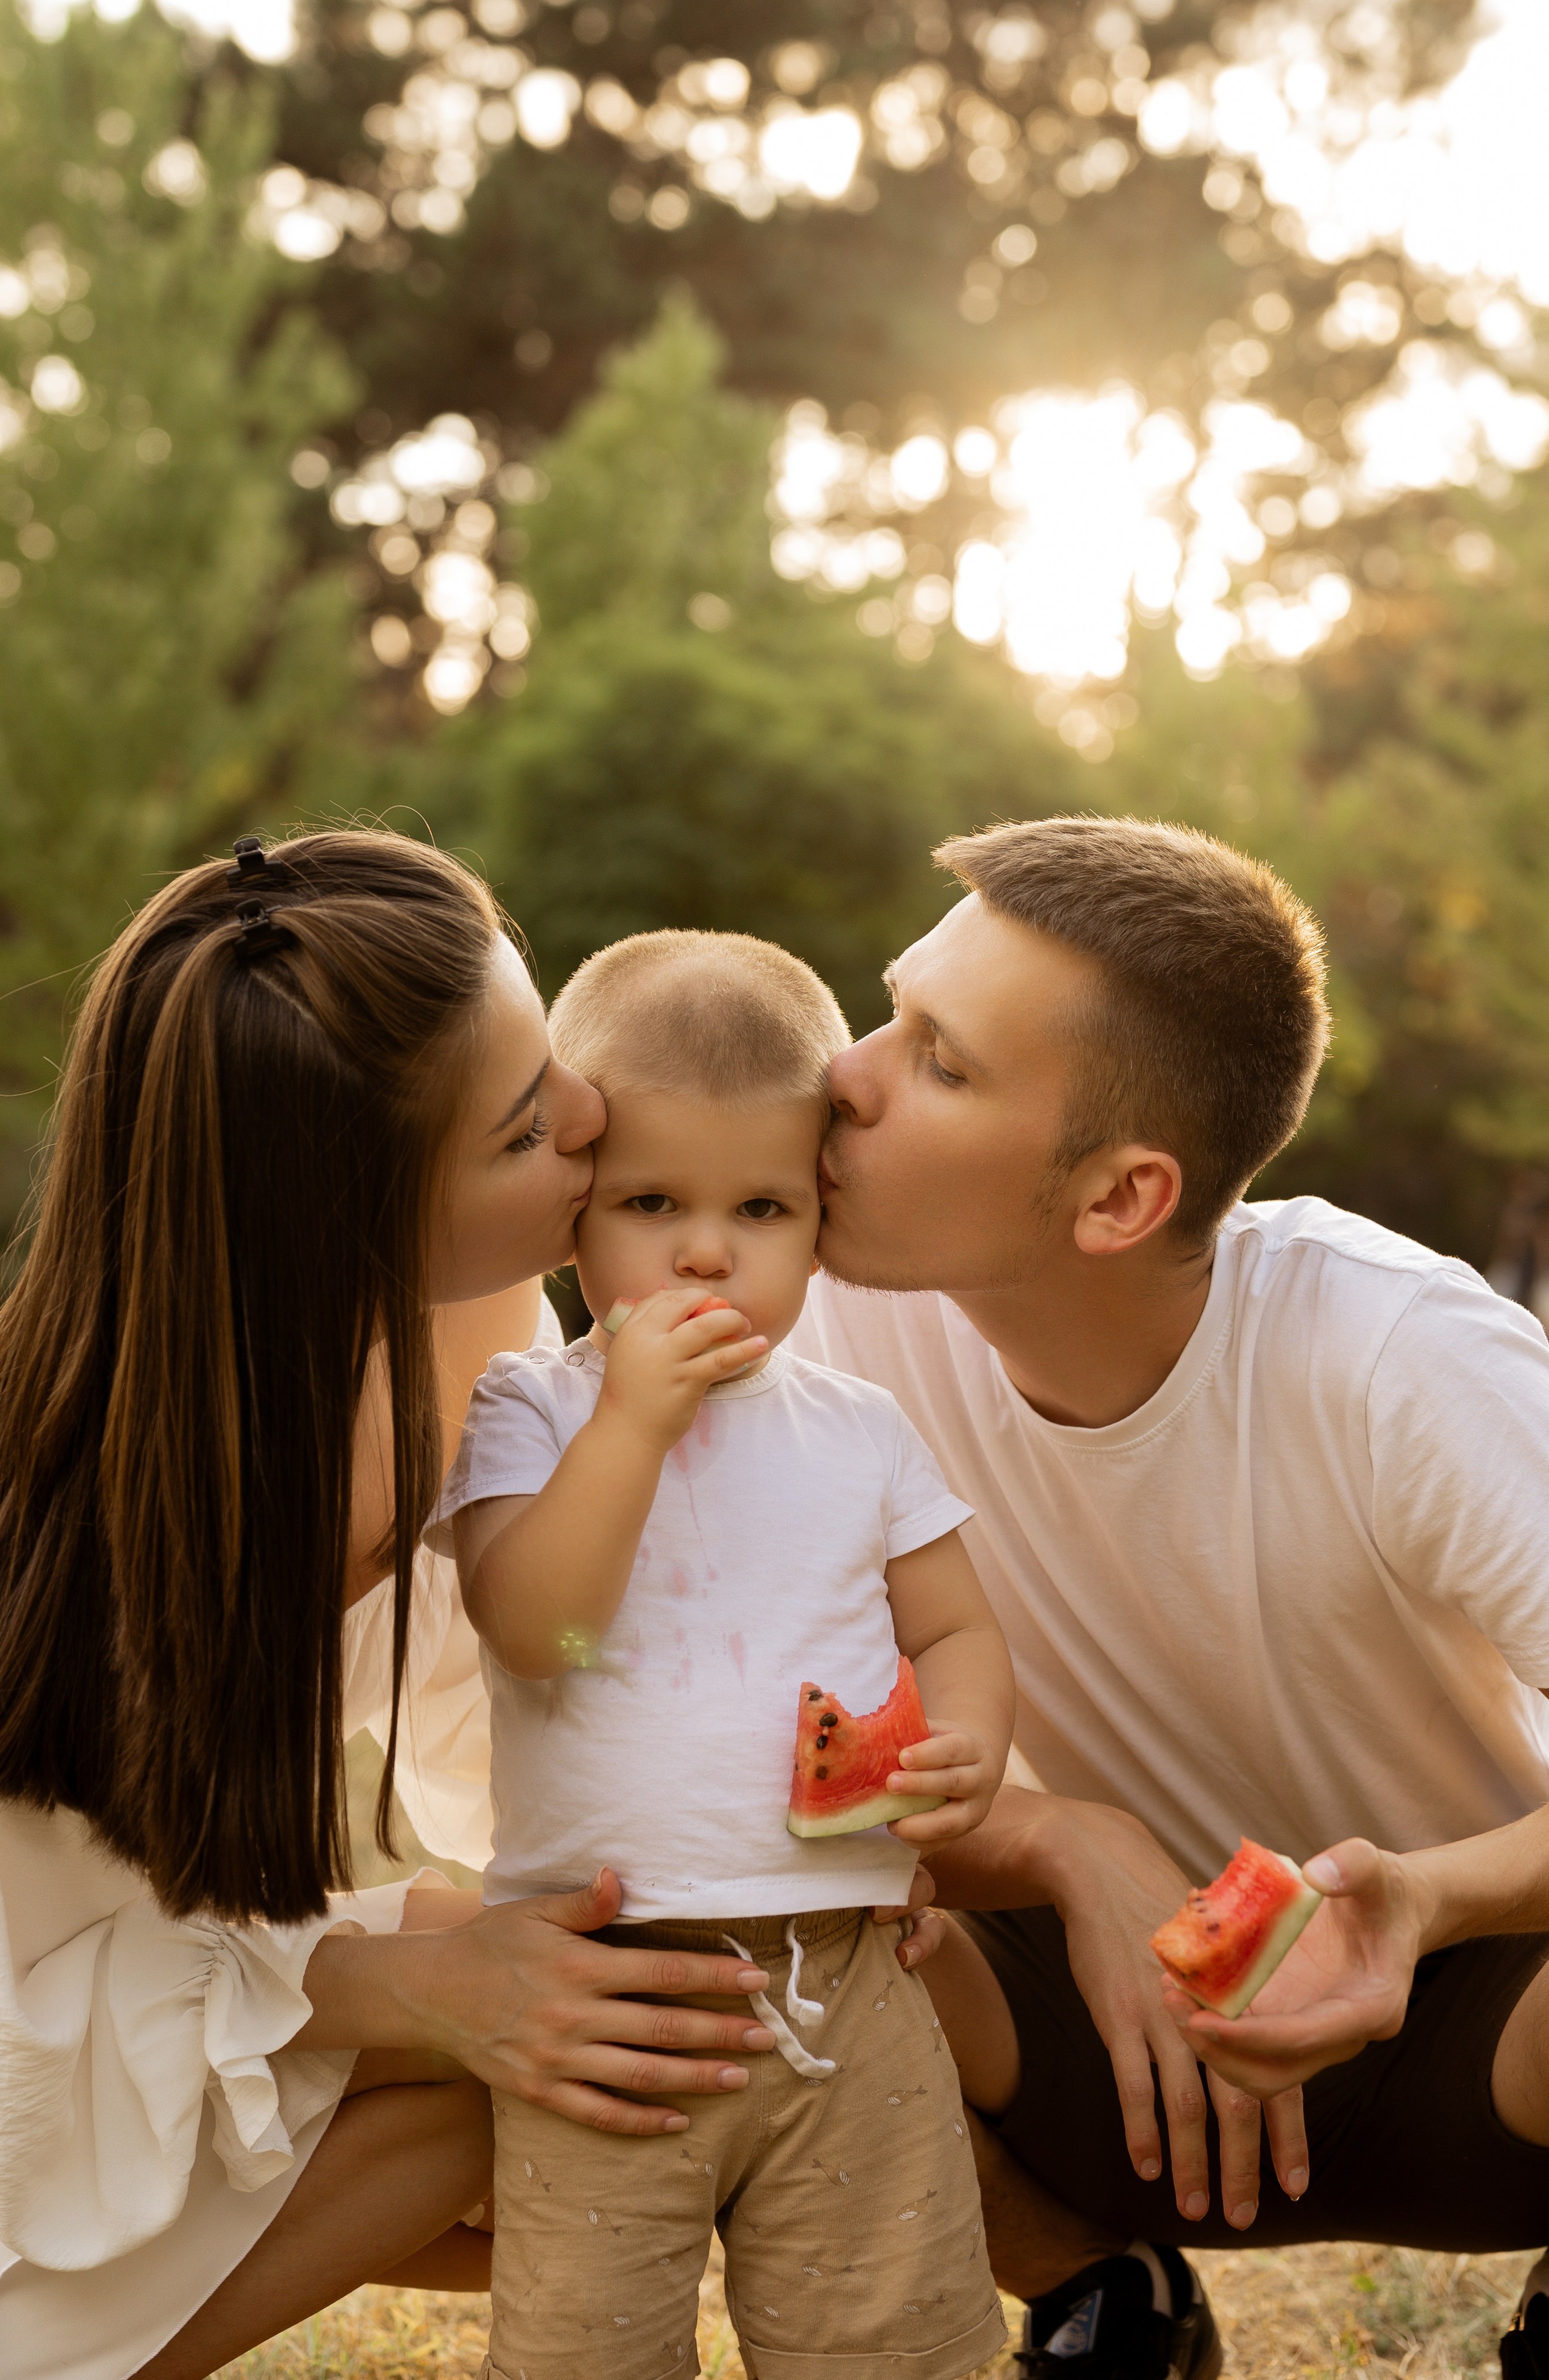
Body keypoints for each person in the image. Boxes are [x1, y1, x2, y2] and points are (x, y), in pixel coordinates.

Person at [0, 832, 785, 2380]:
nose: (591, 1119)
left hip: (146, 1961)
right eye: (525, 1129)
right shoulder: (160, 1522)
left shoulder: (469, 1327)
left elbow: (537, 1695)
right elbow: (47, 1973)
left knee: (654, 2003)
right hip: (1, 2064)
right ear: (351, 1225)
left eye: (552, 1062)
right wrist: (430, 1984)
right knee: (556, 2056)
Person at [787, 814, 1549, 2380]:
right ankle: (1099, 2299)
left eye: (939, 1060)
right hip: (1097, 2044)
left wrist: (1420, 1901)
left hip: (1479, 2044)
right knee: (727, 1912)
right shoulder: (834, 1336)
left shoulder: (1395, 1356)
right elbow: (755, 1749)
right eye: (890, 1011)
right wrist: (1067, 1843)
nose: (846, 1076)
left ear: (1119, 1198)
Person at [436, 929, 1015, 2380]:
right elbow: (538, 1631)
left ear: (819, 1223)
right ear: (574, 1220)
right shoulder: (533, 1411)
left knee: (892, 2337)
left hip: (851, 1979)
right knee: (588, 2348)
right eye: (649, 1202)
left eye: (758, 1204)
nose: (705, 1249)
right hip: (610, 1996)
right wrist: (628, 1424)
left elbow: (951, 1626)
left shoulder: (861, 1430)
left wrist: (964, 1746)